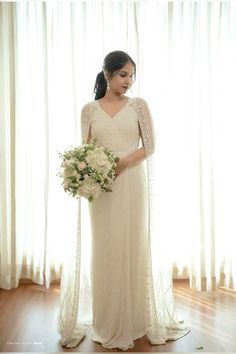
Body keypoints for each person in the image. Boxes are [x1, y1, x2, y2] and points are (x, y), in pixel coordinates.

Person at [58, 50, 190, 350]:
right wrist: (89, 172)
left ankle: (134, 319)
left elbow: (150, 146)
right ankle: (106, 319)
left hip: (131, 182)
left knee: (132, 244)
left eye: (131, 75)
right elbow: (85, 150)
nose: (128, 81)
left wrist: (122, 163)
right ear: (106, 73)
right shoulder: (89, 110)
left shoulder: (139, 106)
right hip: (102, 188)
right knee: (105, 247)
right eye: (122, 75)